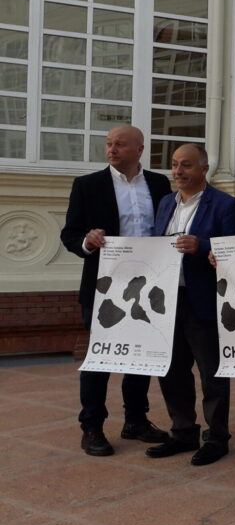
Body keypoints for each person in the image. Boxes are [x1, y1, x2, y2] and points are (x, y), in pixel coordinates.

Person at [60, 125, 171, 457]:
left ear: (140, 149)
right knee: (99, 359)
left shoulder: (159, 184)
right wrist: (87, 241)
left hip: (148, 286)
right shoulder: (87, 185)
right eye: (109, 144)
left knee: (140, 357)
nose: (111, 149)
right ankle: (92, 427)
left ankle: (135, 420)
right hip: (104, 285)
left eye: (120, 144)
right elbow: (69, 234)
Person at [146, 144, 235, 466]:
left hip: (203, 300)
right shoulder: (165, 203)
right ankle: (183, 431)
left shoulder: (227, 205)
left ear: (204, 168)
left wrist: (201, 246)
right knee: (172, 371)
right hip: (166, 300)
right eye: (174, 165)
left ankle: (216, 438)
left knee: (211, 373)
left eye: (186, 165)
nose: (178, 171)